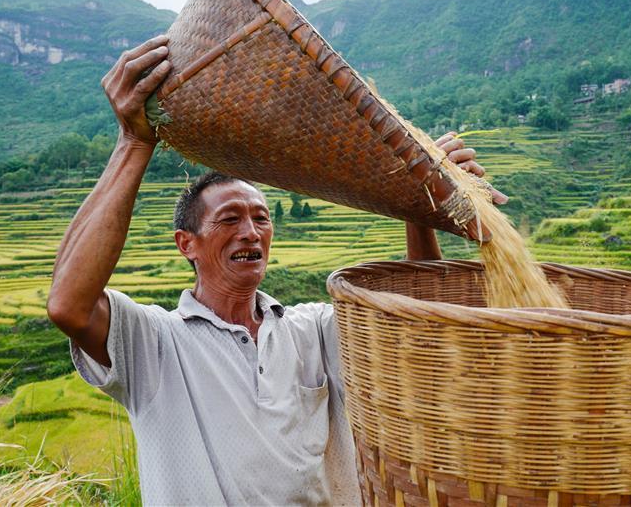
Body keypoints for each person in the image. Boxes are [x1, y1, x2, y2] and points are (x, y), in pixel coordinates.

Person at [47, 35, 506, 506]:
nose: (250, 231)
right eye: (229, 219)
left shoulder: (312, 330)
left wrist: (421, 202)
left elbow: (412, 326)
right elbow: (68, 305)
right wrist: (134, 140)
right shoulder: (156, 343)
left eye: (261, 218)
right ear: (188, 244)